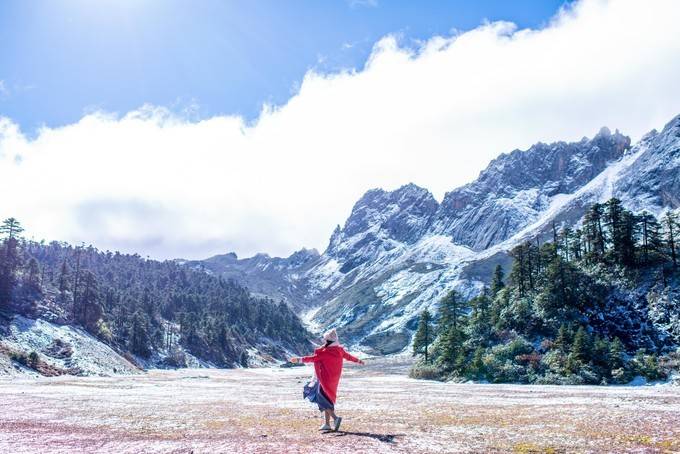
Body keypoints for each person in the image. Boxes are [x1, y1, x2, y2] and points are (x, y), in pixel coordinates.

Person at [290, 328, 365, 431]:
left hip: (325, 379)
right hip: (334, 379)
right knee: (327, 399)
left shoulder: (325, 352)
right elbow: (349, 357)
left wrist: (298, 359)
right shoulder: (339, 350)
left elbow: (312, 358)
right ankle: (327, 424)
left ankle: (335, 418)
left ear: (329, 341)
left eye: (325, 340)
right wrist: (359, 361)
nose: (324, 342)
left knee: (322, 398)